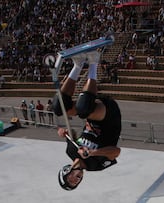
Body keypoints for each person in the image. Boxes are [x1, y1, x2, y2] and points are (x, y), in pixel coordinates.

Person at [52, 50, 122, 190]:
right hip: (109, 117)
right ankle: (93, 62)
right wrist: (94, 153)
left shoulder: (71, 151)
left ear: (66, 172)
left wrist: (63, 131)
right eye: (76, 183)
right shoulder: (95, 166)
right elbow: (116, 152)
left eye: (70, 180)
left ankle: (77, 65)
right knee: (83, 110)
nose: (76, 180)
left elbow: (71, 135)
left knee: (59, 108)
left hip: (92, 114)